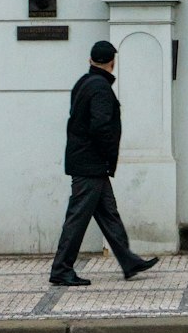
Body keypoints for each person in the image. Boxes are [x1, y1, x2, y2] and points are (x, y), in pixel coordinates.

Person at [49, 40, 159, 287]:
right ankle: (61, 269)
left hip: (87, 162)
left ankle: (129, 261)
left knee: (109, 213)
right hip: (91, 164)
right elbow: (100, 127)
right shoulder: (100, 88)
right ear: (112, 63)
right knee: (77, 218)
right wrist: (109, 156)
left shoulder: (84, 83)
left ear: (91, 60)